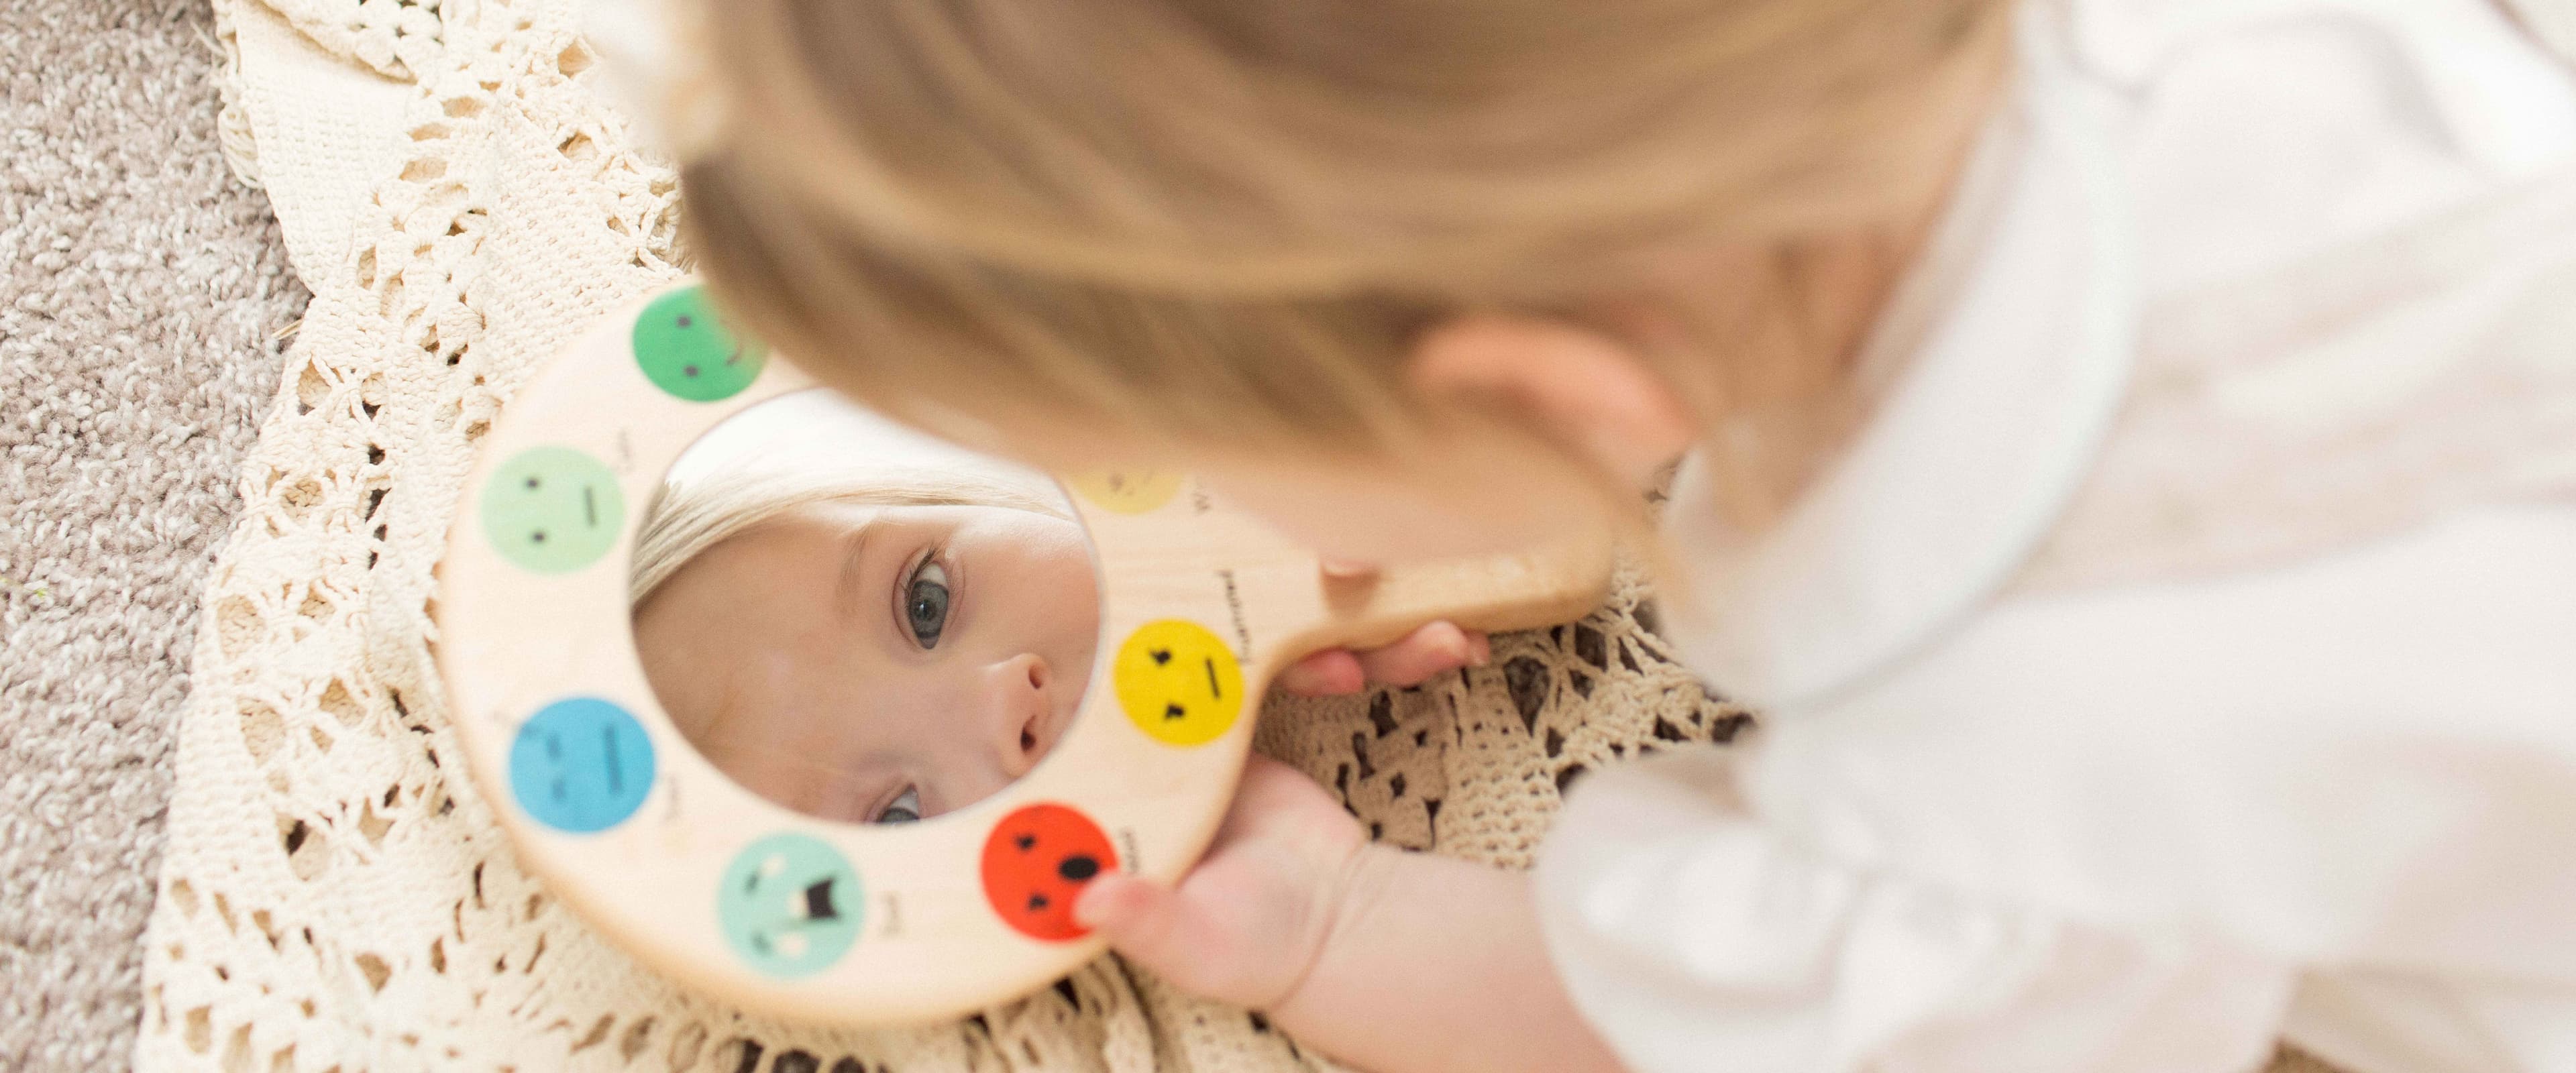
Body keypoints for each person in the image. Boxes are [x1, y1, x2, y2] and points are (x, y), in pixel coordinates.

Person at [602, 0, 2576, 1070]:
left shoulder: (1989, 791)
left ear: (1540, 397)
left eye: (1210, 452)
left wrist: (1336, 923)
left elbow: (1693, 1033)